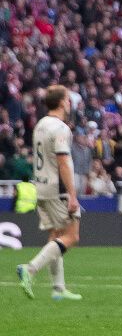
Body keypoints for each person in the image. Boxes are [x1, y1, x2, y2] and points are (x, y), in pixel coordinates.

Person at [16, 85, 83, 301]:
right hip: (57, 188)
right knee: (71, 236)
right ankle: (30, 269)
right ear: (63, 102)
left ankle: (58, 288)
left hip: (41, 186)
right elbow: (63, 162)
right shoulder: (61, 128)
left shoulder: (40, 125)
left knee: (55, 236)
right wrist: (72, 194)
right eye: (68, 99)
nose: (70, 103)